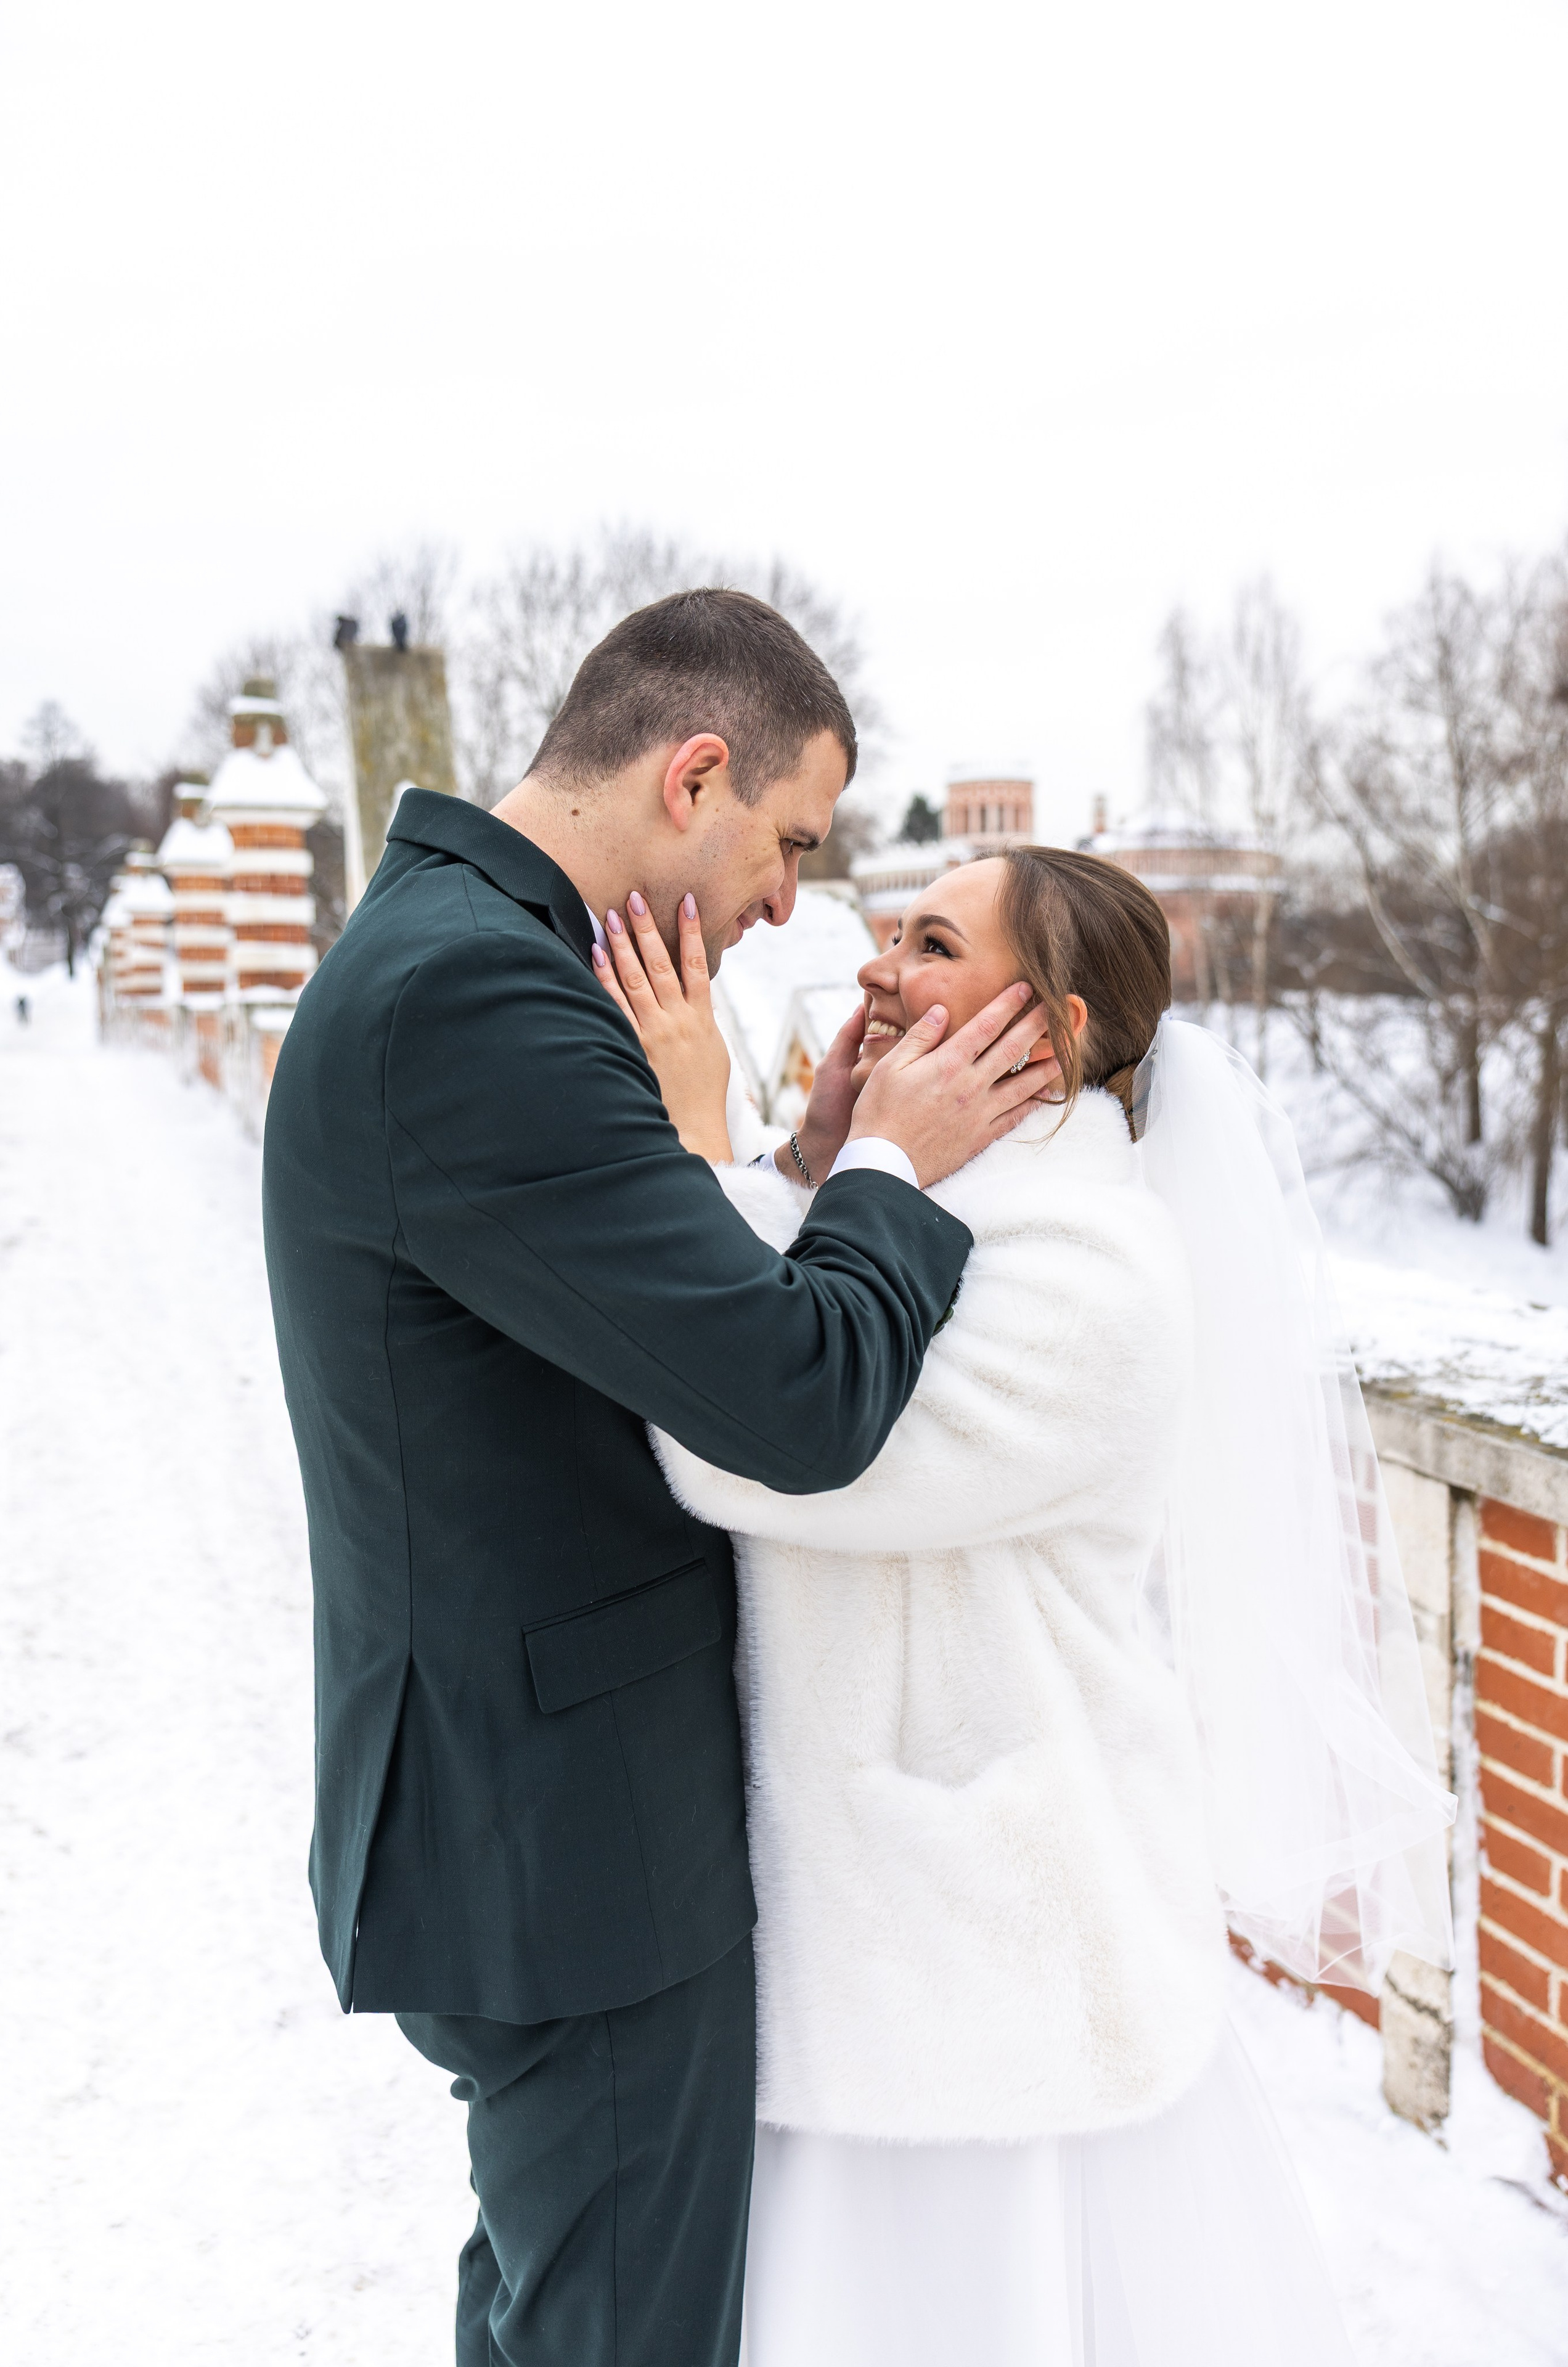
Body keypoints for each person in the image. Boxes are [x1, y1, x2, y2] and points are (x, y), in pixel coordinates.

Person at [261, 589, 1060, 2367]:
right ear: (693, 773)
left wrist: (791, 1163)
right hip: (575, 1849)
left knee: (561, 2311)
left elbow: (598, 1299)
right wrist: (900, 1184)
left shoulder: (459, 954)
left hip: (524, 1823)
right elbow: (792, 1399)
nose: (793, 901)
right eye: (788, 840)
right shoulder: (481, 995)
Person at [597, 843, 1455, 2366]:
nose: (872, 968)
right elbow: (808, 1307)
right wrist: (805, 1167)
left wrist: (685, 1140)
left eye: (928, 944)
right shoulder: (931, 1209)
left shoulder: (1088, 1277)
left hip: (987, 1966)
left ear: (1042, 1032)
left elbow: (767, 1441)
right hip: (876, 1941)